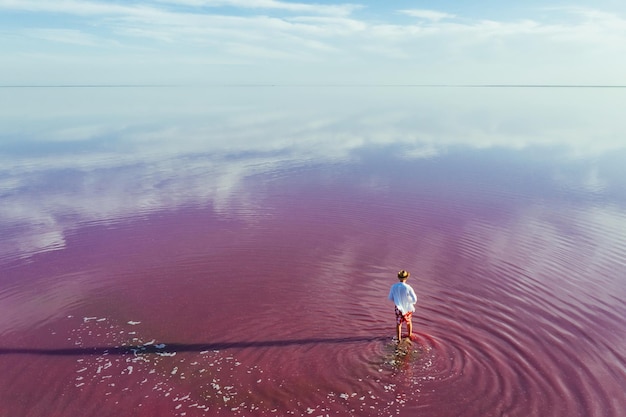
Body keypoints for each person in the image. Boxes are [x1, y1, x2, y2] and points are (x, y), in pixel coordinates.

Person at [388, 269, 417, 342]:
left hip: (398, 308)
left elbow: (390, 297)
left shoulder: (393, 286)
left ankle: (399, 339)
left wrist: (398, 301)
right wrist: (408, 301)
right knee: (409, 321)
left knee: (398, 324)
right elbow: (414, 299)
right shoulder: (408, 287)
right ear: (406, 278)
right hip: (407, 308)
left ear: (398, 277)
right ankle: (409, 335)